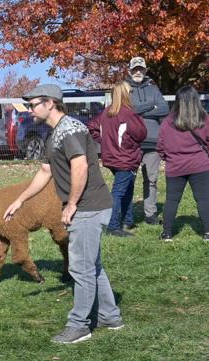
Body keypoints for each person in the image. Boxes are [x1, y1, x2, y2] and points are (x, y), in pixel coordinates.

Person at [4, 84, 122, 344]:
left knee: (80, 267)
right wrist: (20, 200)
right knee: (92, 265)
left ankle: (79, 325)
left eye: (33, 104)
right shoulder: (54, 133)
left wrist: (71, 205)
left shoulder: (69, 130)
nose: (29, 110)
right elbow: (46, 172)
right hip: (85, 205)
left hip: (88, 207)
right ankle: (110, 316)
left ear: (50, 103)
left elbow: (80, 167)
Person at [88, 81, 147, 237]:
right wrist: (112, 142)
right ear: (125, 94)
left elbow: (92, 126)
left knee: (127, 188)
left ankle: (128, 220)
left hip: (113, 157)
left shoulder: (107, 112)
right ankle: (113, 226)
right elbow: (141, 134)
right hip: (125, 158)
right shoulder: (129, 113)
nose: (132, 95)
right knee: (119, 191)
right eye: (130, 92)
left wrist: (105, 143)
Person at [156, 85, 209, 242]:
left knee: (172, 200)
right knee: (204, 199)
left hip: (175, 166)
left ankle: (167, 233)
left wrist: (170, 158)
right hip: (200, 165)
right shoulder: (204, 119)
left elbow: (160, 147)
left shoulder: (167, 122)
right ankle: (207, 232)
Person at [125, 57, 170, 225]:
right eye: (135, 69)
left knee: (151, 180)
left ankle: (150, 214)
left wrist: (139, 112)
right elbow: (125, 111)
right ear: (129, 70)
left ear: (145, 70)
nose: (138, 72)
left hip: (152, 143)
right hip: (132, 143)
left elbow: (164, 108)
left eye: (141, 69)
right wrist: (151, 108)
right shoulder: (124, 89)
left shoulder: (153, 89)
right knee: (128, 180)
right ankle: (126, 215)